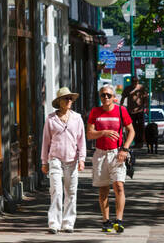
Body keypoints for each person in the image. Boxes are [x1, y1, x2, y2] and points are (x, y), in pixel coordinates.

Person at [86, 81, 134, 233]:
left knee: (119, 186)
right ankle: (106, 221)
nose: (105, 97)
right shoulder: (95, 112)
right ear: (100, 97)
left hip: (116, 153)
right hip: (100, 153)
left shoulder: (121, 111)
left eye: (108, 95)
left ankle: (119, 220)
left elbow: (131, 131)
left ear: (114, 97)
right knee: (103, 190)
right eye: (103, 95)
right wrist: (103, 133)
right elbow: (89, 134)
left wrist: (125, 149)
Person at [40, 86, 86, 233]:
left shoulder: (77, 118)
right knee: (56, 190)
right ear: (59, 101)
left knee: (71, 192)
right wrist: (44, 161)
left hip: (72, 159)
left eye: (70, 98)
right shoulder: (51, 119)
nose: (69, 101)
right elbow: (46, 141)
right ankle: (54, 223)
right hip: (55, 158)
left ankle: (68, 223)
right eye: (66, 98)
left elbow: (81, 140)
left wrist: (82, 159)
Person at [123, 78, 149, 150]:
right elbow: (123, 97)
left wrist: (147, 107)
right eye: (133, 81)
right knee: (132, 127)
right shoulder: (128, 88)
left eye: (136, 81)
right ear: (131, 82)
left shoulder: (141, 88)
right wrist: (120, 108)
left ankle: (140, 143)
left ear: (138, 82)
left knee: (140, 127)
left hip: (140, 111)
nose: (134, 83)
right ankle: (133, 142)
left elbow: (146, 98)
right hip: (131, 111)